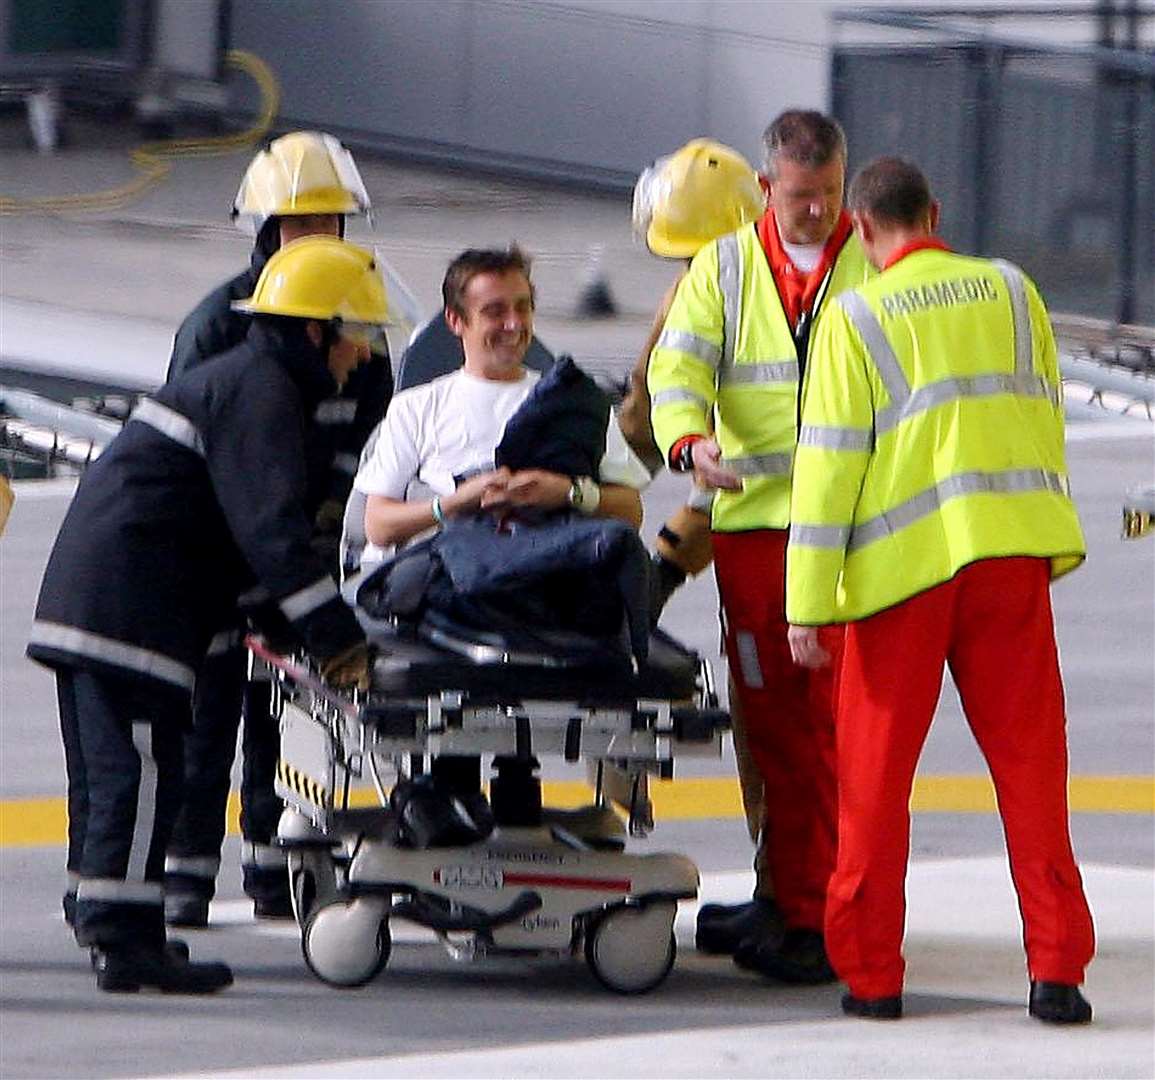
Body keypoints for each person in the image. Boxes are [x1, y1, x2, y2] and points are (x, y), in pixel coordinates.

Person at [27, 236, 387, 993]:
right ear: (315, 331)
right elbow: (272, 537)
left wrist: (283, 625)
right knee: (142, 769)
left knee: (104, 773)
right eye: (354, 338)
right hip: (133, 606)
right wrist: (339, 641)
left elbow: (236, 539)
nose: (360, 359)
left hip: (101, 595)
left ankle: (106, 914)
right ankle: (128, 943)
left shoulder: (241, 380)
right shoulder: (265, 393)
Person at [786, 157, 1095, 1024]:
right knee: (1033, 771)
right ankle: (1057, 972)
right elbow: (1041, 409)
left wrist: (807, 601)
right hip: (1009, 558)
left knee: (874, 785)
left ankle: (873, 978)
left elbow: (828, 467)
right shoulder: (1009, 289)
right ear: (935, 212)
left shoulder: (856, 315)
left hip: (902, 576)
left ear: (858, 226)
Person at [647, 110, 874, 982]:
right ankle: (789, 895)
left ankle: (819, 914)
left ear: (841, 185)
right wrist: (686, 442)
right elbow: (678, 369)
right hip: (749, 531)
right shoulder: (727, 266)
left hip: (846, 531)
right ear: (767, 187)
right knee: (772, 729)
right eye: (797, 197)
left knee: (824, 732)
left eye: (825, 197)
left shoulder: (873, 264)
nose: (812, 213)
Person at [163, 131, 393, 926]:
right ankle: (184, 883)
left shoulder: (361, 325)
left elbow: (366, 448)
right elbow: (194, 458)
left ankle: (272, 870)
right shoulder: (217, 329)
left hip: (299, 554)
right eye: (297, 226)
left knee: (285, 721)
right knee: (203, 719)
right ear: (265, 234)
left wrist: (318, 547)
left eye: (327, 224)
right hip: (219, 554)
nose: (314, 240)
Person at [624, 139, 782, 952]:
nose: (683, 277)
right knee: (775, 727)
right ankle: (792, 895)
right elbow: (641, 426)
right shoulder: (710, 285)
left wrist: (659, 560)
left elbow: (751, 468)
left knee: (781, 732)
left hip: (785, 548)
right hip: (764, 542)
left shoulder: (761, 304)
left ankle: (790, 905)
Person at [355, 245, 649, 555]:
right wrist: (457, 503)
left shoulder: (574, 403)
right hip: (450, 585)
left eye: (522, 308)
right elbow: (378, 525)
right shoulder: (415, 408)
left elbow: (631, 512)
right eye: (495, 312)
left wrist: (568, 493)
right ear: (455, 321)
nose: (513, 324)